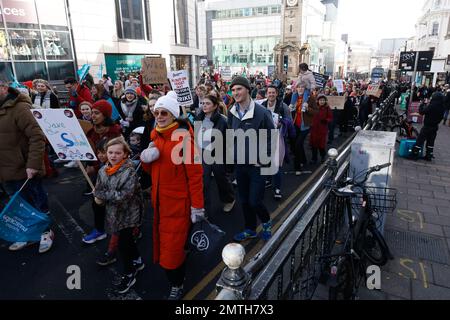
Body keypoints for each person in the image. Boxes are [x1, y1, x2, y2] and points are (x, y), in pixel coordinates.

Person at [140, 91, 204, 300]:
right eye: (157, 112)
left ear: (173, 115)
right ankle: (178, 273)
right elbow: (153, 173)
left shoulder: (184, 141)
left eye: (164, 112)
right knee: (168, 246)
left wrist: (197, 206)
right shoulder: (155, 136)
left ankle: (177, 282)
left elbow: (195, 177)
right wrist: (146, 161)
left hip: (178, 206)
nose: (159, 116)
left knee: (171, 252)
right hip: (160, 204)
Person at [0, 80, 54, 253]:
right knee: (18, 206)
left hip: (24, 169)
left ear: (3, 88)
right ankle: (28, 234)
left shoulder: (20, 108)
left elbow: (37, 137)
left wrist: (33, 164)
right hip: (5, 171)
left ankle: (46, 232)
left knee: (36, 203)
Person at [227, 76, 275, 242]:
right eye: (233, 90)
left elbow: (272, 137)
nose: (235, 93)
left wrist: (264, 158)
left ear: (247, 89)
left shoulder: (261, 112)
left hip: (258, 166)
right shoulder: (232, 112)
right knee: (244, 200)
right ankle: (250, 229)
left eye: (238, 89)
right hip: (240, 165)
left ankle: (267, 223)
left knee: (255, 201)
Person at [93, 137, 144, 294]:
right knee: (127, 242)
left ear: (125, 154)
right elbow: (98, 188)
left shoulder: (130, 172)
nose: (113, 156)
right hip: (113, 214)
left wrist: (101, 194)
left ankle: (129, 273)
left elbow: (124, 195)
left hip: (130, 214)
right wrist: (98, 198)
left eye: (117, 153)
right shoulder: (102, 171)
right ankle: (138, 261)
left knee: (123, 245)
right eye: (110, 152)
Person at [196, 94, 235, 215]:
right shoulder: (199, 117)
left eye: (207, 104)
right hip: (203, 154)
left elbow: (229, 142)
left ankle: (229, 199)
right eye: (203, 103)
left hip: (218, 154)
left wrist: (229, 161)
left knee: (221, 179)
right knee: (204, 182)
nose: (204, 106)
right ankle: (204, 208)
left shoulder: (223, 120)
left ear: (215, 106)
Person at [262, 85, 293, 199]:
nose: (271, 94)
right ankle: (268, 180)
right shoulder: (262, 106)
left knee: (277, 165)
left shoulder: (283, 106)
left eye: (273, 92)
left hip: (278, 137)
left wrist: (282, 123)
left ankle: (277, 188)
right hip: (264, 138)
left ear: (277, 94)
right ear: (266, 94)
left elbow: (290, 122)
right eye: (269, 92)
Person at [412, 91, 447, 161]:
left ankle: (414, 154)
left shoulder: (432, 105)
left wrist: (422, 104)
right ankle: (429, 155)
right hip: (435, 126)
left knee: (420, 140)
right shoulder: (442, 106)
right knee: (431, 141)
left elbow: (422, 112)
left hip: (427, 126)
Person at [293, 84, 318, 173]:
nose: (300, 88)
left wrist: (308, 108)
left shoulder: (310, 98)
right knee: (297, 145)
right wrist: (290, 108)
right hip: (295, 124)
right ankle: (303, 160)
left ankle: (297, 167)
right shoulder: (294, 97)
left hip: (305, 126)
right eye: (299, 87)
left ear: (305, 89)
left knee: (297, 145)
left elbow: (316, 111)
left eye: (302, 87)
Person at [310, 94, 333, 164]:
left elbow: (330, 117)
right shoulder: (314, 107)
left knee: (321, 145)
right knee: (314, 145)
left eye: (323, 100)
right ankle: (314, 158)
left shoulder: (327, 108)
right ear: (318, 101)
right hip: (314, 129)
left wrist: (326, 120)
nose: (322, 101)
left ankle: (323, 157)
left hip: (322, 129)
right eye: (320, 100)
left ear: (325, 101)